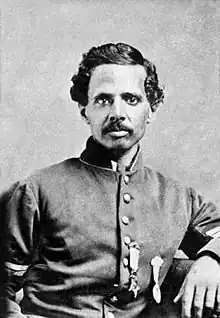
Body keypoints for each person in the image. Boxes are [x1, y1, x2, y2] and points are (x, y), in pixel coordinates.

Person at [0, 42, 220, 318]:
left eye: (131, 99)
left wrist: (213, 259)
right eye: (104, 100)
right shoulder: (37, 190)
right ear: (84, 110)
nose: (117, 113)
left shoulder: (178, 197)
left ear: (151, 110)